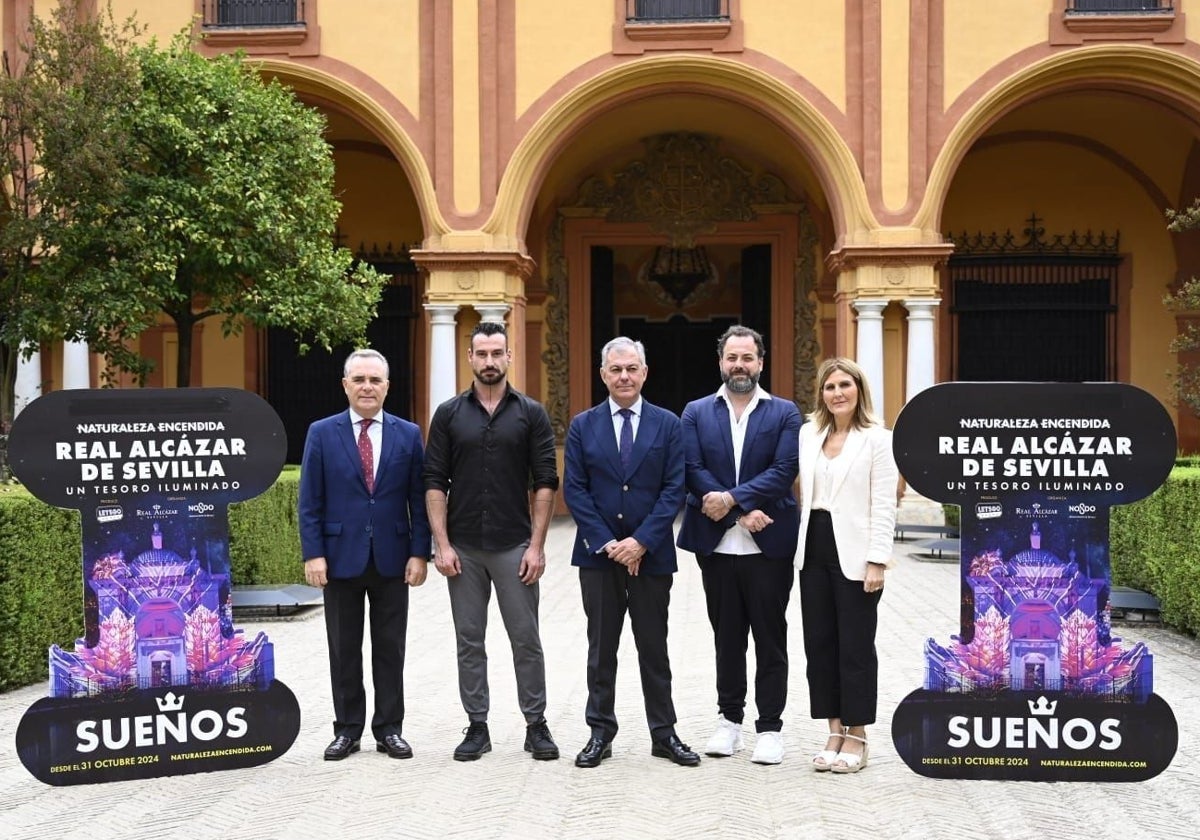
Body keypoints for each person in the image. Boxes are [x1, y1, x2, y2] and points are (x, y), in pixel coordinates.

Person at [423, 321, 561, 762]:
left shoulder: (531, 413)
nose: (488, 361)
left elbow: (545, 482)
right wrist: (440, 545)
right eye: (480, 354)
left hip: (513, 545)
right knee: (469, 639)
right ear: (470, 357)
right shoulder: (447, 414)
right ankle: (477, 726)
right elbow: (434, 481)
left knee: (526, 638)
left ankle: (535, 725)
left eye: (496, 353)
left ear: (508, 355)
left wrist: (537, 546)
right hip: (461, 547)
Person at [563, 337, 699, 768]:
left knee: (653, 648)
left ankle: (664, 733)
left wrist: (641, 541)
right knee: (601, 649)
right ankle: (599, 732)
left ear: (644, 372)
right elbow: (576, 490)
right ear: (603, 374)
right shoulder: (583, 425)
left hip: (651, 557)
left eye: (632, 368)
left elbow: (674, 488)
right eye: (616, 369)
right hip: (598, 558)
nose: (624, 376)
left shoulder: (668, 424)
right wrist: (610, 544)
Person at [299, 349, 431, 761]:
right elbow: (310, 501)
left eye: (375, 380)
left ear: (387, 386)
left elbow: (419, 498)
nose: (367, 387)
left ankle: (390, 729)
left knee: (390, 648)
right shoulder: (321, 433)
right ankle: (347, 729)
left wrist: (419, 553)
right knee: (344, 647)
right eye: (359, 380)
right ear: (345, 385)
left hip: (393, 558)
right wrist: (313, 554)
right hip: (339, 559)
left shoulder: (408, 434)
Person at [677, 325, 801, 765]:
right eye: (732, 358)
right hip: (718, 547)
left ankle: (770, 728)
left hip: (769, 546)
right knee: (727, 639)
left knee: (771, 638)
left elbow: (784, 468)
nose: (739, 366)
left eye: (747, 358)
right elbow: (691, 468)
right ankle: (729, 722)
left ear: (760, 362)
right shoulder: (694, 412)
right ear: (721, 362)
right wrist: (738, 513)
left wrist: (731, 499)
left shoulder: (785, 413)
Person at [796, 357, 898, 774]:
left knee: (855, 646)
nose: (837, 393)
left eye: (845, 385)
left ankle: (857, 734)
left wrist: (878, 560)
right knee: (819, 645)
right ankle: (833, 729)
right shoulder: (808, 434)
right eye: (829, 387)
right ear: (821, 394)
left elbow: (884, 504)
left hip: (856, 552)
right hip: (813, 545)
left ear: (859, 389)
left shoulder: (879, 439)